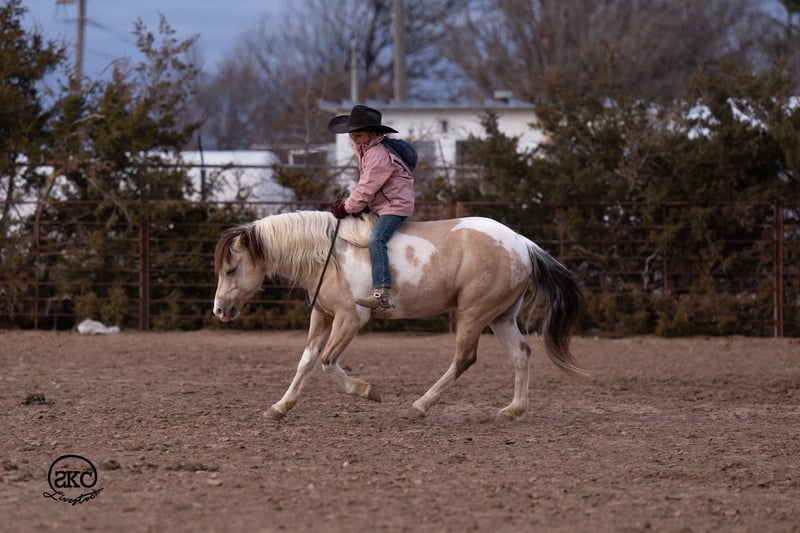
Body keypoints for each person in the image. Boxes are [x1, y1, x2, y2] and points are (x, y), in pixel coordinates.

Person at [328, 104, 415, 309]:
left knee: (376, 239)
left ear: (373, 134)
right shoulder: (366, 148)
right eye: (352, 135)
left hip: (395, 206)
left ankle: (381, 292)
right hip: (383, 204)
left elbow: (366, 188)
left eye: (358, 135)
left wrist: (346, 208)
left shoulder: (378, 155)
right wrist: (362, 206)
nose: (354, 139)